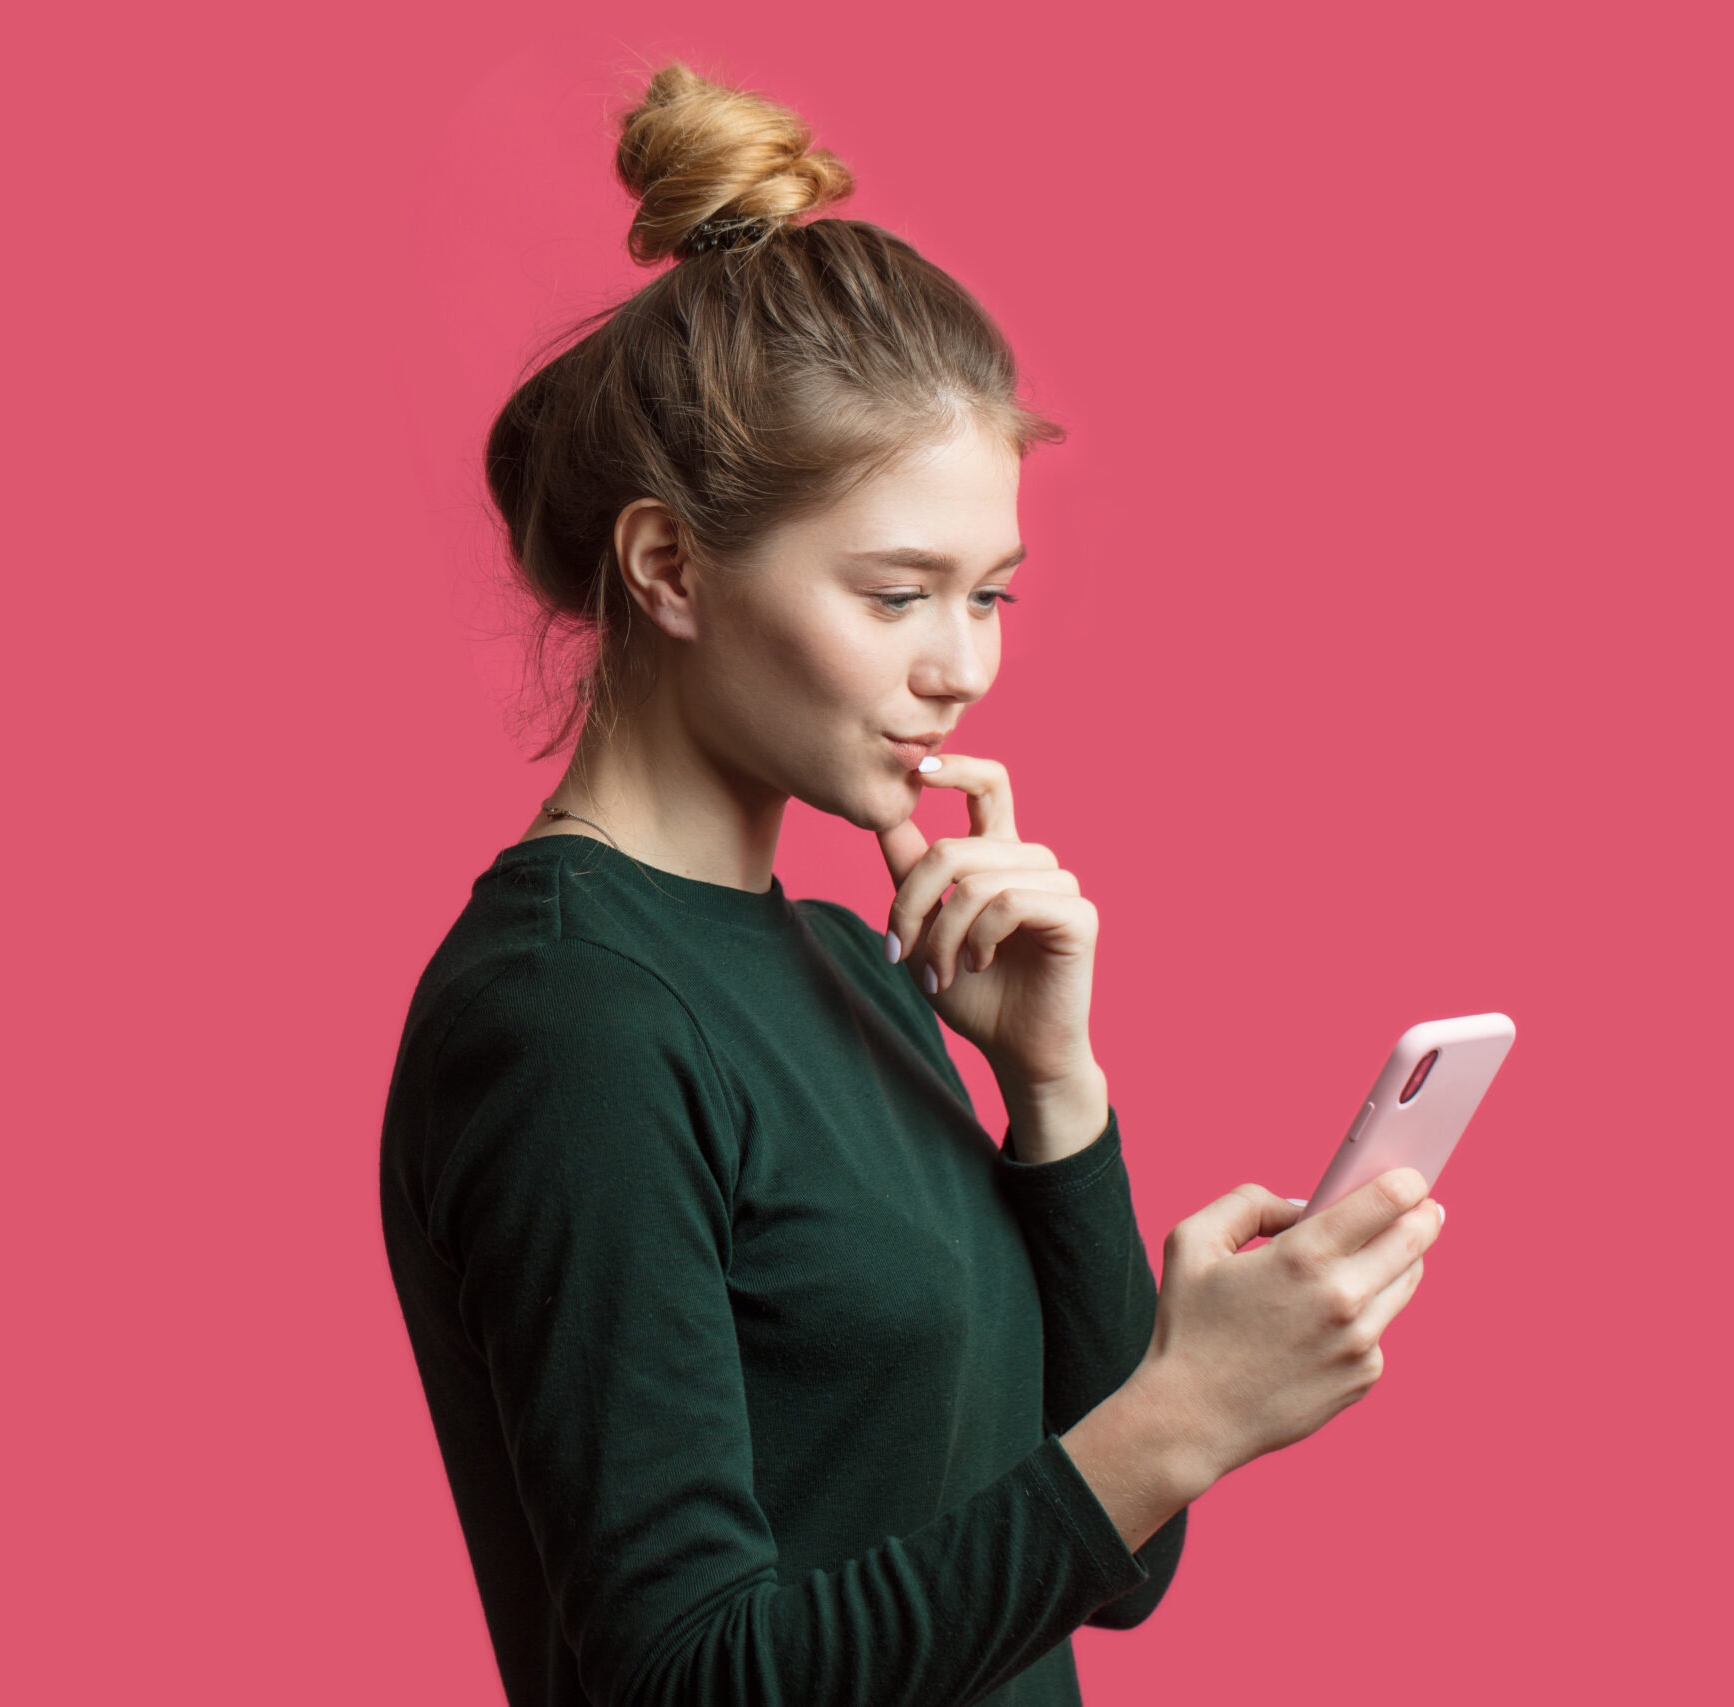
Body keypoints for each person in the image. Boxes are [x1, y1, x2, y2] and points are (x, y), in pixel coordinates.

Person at [378, 62, 1445, 1707]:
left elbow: (1116, 1565)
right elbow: (684, 1680)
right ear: (668, 568)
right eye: (896, 597)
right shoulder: (570, 1015)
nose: (961, 670)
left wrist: (1054, 1095)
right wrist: (1190, 1409)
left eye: (993, 596)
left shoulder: (851, 964)